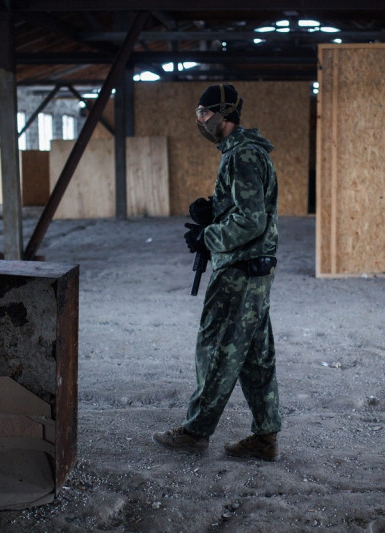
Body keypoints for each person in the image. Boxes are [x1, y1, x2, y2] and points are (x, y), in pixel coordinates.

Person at [153, 84, 282, 461]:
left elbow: (252, 220)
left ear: (224, 114)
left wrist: (208, 236)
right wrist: (215, 209)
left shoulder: (241, 156)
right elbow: (244, 208)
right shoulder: (245, 152)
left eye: (205, 113)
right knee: (255, 357)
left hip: (239, 273)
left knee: (216, 351)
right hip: (254, 272)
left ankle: (195, 433)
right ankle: (265, 437)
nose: (200, 120)